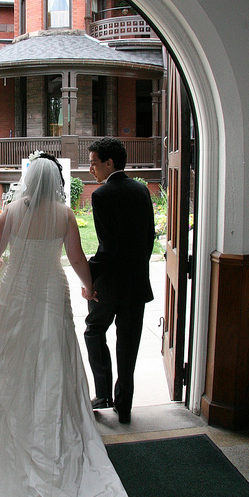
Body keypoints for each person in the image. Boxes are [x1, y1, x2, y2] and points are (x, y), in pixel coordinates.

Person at [0, 152, 142, 497]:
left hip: (15, 296)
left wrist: (2, 264)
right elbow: (77, 259)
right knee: (51, 360)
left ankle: (14, 425)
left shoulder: (10, 211)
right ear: (58, 182)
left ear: (29, 181)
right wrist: (89, 288)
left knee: (11, 358)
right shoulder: (64, 214)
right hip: (50, 294)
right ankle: (49, 429)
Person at [83, 137, 155, 424]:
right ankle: (124, 406)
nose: (91, 169)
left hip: (110, 285)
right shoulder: (142, 190)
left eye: (93, 163)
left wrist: (89, 276)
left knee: (93, 330)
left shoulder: (101, 195)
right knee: (128, 343)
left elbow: (108, 247)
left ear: (109, 162)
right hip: (136, 283)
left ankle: (103, 394)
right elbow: (149, 239)